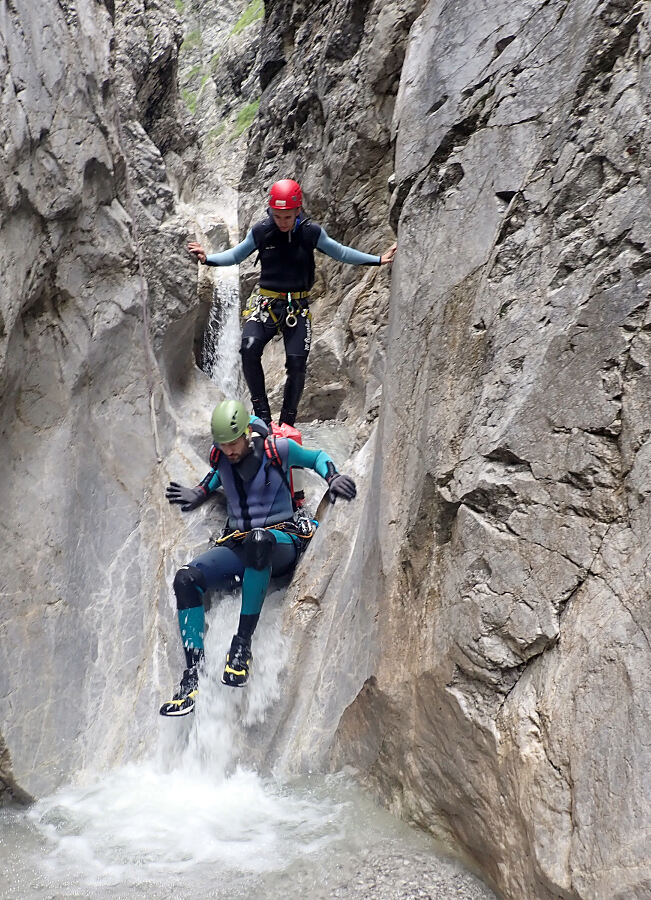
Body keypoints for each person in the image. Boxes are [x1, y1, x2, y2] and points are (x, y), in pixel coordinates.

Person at [159, 398, 358, 717]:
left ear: (246, 434)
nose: (229, 451)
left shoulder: (275, 451)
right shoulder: (221, 456)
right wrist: (197, 493)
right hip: (241, 545)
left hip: (280, 542)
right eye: (222, 445)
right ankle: (192, 677)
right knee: (186, 579)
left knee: (259, 540)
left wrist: (332, 477)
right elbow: (213, 479)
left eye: (233, 444)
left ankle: (241, 647)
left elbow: (315, 458)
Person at [187, 179, 397, 428]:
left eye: (287, 216)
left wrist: (378, 259)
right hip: (266, 304)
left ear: (298, 211)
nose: (282, 222)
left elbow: (339, 251)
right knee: (248, 349)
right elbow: (236, 254)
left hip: (297, 309)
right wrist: (207, 258)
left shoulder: (310, 232)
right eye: (277, 216)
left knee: (297, 364)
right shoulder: (262, 231)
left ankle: (287, 423)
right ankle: (263, 416)